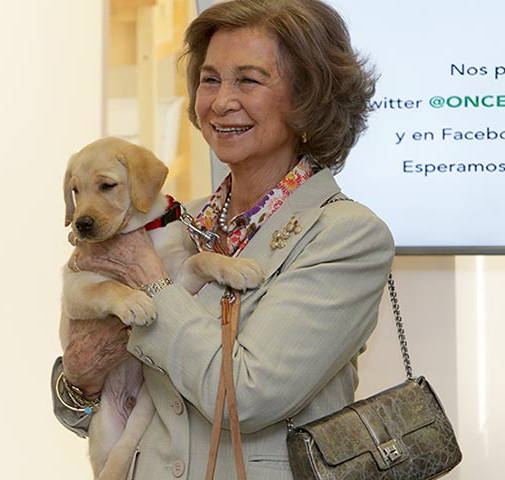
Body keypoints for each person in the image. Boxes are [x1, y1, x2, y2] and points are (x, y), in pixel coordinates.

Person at [52, 1, 395, 478]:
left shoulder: (345, 237)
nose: (220, 101)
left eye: (248, 80)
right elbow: (79, 407)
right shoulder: (177, 220)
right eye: (209, 79)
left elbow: (245, 398)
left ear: (307, 98)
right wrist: (80, 381)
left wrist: (149, 280)